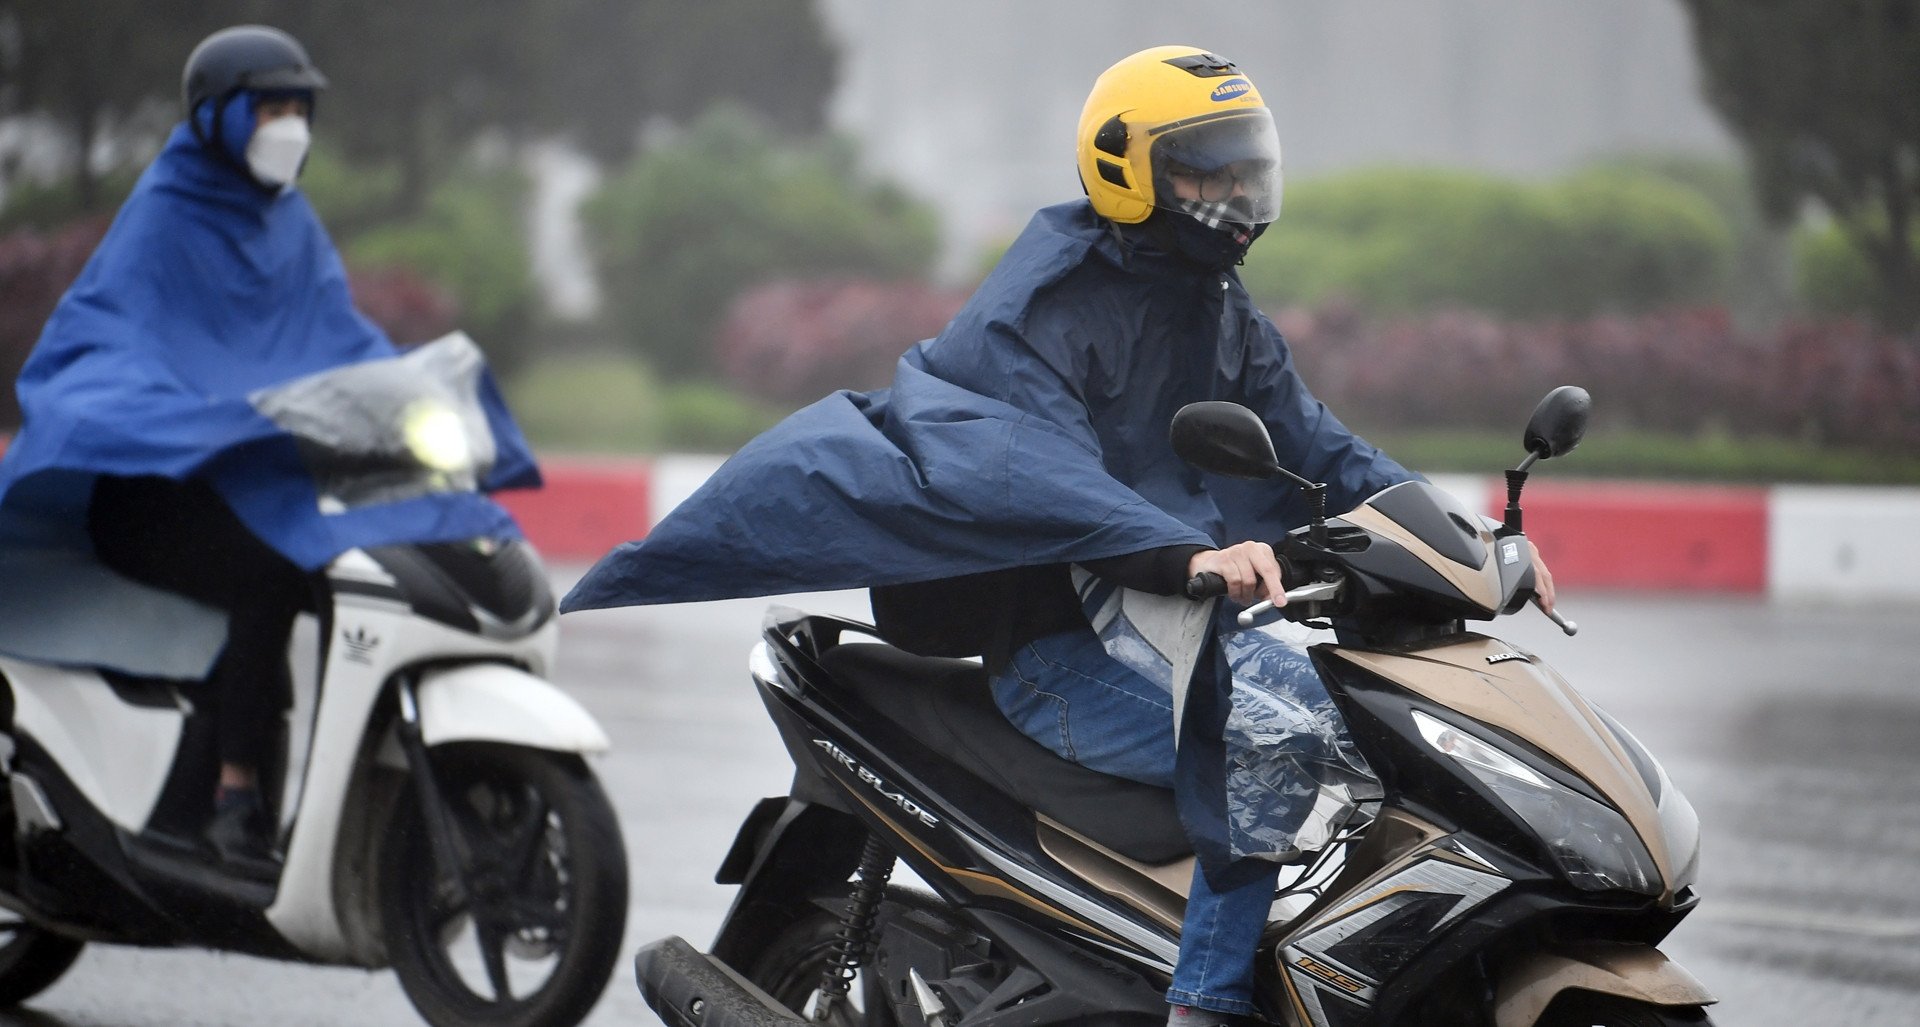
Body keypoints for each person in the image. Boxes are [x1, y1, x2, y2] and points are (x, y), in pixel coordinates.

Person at [563, 44, 1553, 1027]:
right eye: (1206, 166)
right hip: (1056, 652)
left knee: (1377, 727)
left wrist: (1469, 541)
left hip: (1169, 619)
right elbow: (1026, 465)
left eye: (1244, 164)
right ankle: (1206, 1003)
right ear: (1131, 168)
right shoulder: (1042, 310)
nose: (1235, 189)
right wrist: (1188, 553)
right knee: (1282, 743)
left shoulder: (1216, 309)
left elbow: (1322, 446)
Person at [0, 25, 537, 873]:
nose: (289, 124)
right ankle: (238, 794)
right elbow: (118, 349)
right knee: (271, 576)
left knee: (369, 568)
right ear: (216, 116)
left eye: (299, 106)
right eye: (270, 106)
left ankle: (347, 795)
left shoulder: (289, 225)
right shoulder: (163, 218)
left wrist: (405, 396)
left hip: (242, 487)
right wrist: (207, 415)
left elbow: (341, 341)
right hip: (144, 499)